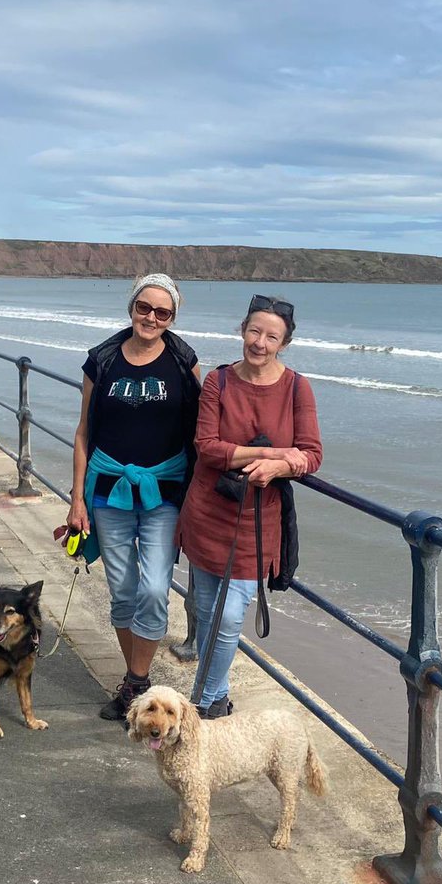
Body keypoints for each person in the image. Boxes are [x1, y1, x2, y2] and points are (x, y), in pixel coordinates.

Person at [177, 294, 322, 718]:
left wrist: (280, 464)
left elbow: (311, 454)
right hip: (207, 512)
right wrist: (271, 455)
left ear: (284, 343)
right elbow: (206, 447)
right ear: (242, 329)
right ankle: (217, 695)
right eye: (254, 331)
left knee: (228, 618)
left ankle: (203, 705)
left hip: (257, 522)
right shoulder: (218, 382)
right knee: (205, 611)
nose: (260, 342)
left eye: (271, 336)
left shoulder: (297, 387)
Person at [67, 274, 202, 721]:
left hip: (165, 492)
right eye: (144, 308)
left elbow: (205, 428)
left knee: (153, 588)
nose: (151, 318)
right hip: (108, 491)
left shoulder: (184, 360)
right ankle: (136, 682)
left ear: (173, 317)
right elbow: (84, 431)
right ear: (132, 307)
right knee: (122, 591)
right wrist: (76, 501)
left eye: (162, 312)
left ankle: (135, 683)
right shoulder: (101, 360)